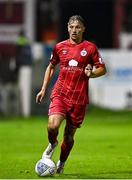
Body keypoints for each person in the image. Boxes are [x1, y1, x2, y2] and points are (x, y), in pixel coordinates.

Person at [36, 15, 106, 174]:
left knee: (68, 136)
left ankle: (61, 162)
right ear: (68, 28)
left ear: (83, 29)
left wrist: (92, 73)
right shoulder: (60, 47)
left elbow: (102, 68)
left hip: (79, 99)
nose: (74, 30)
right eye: (71, 27)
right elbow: (51, 66)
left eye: (77, 27)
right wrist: (44, 88)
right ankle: (52, 144)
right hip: (60, 93)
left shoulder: (90, 48)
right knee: (52, 126)